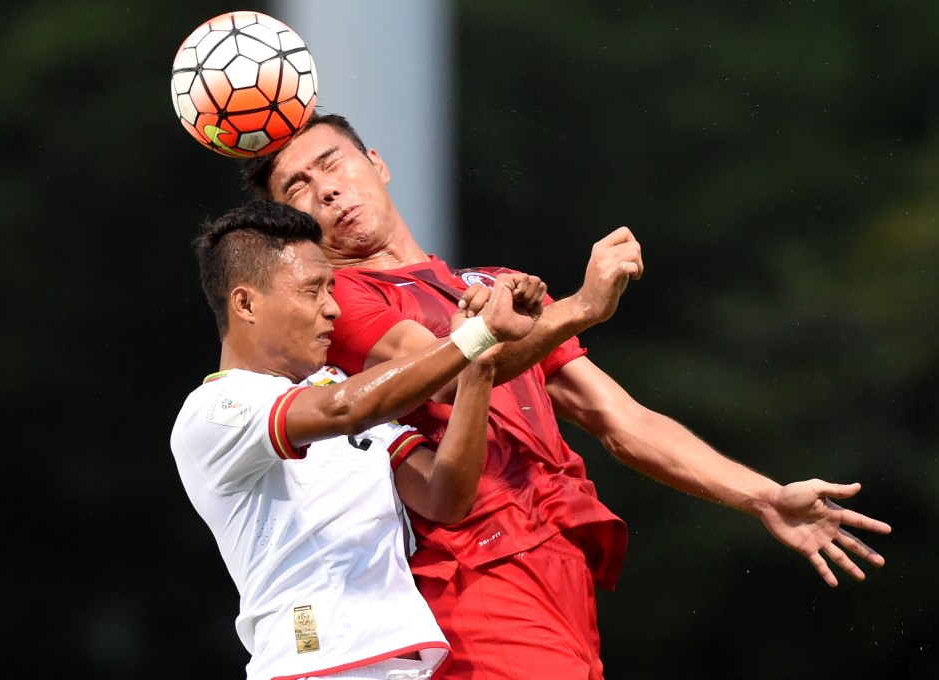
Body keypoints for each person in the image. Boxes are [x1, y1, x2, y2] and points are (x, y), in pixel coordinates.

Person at [242, 113, 894, 680]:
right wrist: (580, 307)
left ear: (377, 163)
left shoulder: (493, 283)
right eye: (298, 188)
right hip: (474, 576)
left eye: (333, 162)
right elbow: (449, 370)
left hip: (561, 567)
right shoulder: (343, 301)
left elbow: (620, 419)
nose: (326, 189)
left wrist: (761, 495)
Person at [169, 199, 546, 680]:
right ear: (245, 304)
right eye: (312, 290)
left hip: (401, 662)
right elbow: (346, 410)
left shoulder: (334, 388)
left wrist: (479, 366)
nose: (333, 307)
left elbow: (444, 496)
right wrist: (474, 336)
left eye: (331, 288)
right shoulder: (216, 410)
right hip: (313, 662)